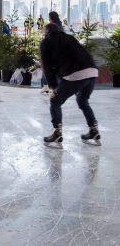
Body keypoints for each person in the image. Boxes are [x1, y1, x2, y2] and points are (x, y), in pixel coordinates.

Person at [40, 18, 101, 148]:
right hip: (92, 71)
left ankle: (57, 133)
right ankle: (93, 130)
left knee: (55, 101)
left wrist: (51, 87)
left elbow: (46, 66)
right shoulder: (69, 37)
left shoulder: (46, 42)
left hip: (74, 74)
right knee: (83, 101)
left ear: (46, 33)